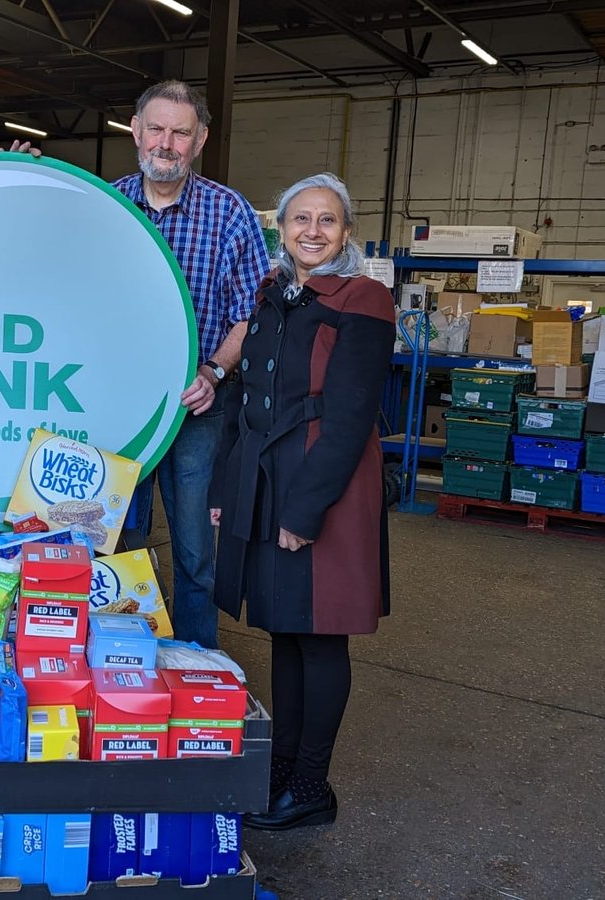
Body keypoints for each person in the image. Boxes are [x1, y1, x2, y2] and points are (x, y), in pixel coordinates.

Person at [11, 80, 270, 649]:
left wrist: (215, 372)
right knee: (108, 541)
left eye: (181, 132)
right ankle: (116, 667)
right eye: (157, 128)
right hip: (112, 410)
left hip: (194, 409)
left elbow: (249, 316)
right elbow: (46, 269)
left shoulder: (231, 215)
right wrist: (21, 187)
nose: (167, 143)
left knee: (195, 553)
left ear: (200, 140)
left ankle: (195, 664)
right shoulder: (104, 205)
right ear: (135, 130)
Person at [209, 173, 394, 831]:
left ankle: (311, 786)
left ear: (346, 233)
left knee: (319, 640)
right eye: (300, 219)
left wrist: (304, 511)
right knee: (285, 632)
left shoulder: (364, 299)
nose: (312, 231)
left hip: (324, 484)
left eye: (328, 221)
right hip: (267, 474)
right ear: (282, 228)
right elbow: (242, 397)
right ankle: (281, 771)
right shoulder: (273, 294)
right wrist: (228, 490)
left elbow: (349, 417)